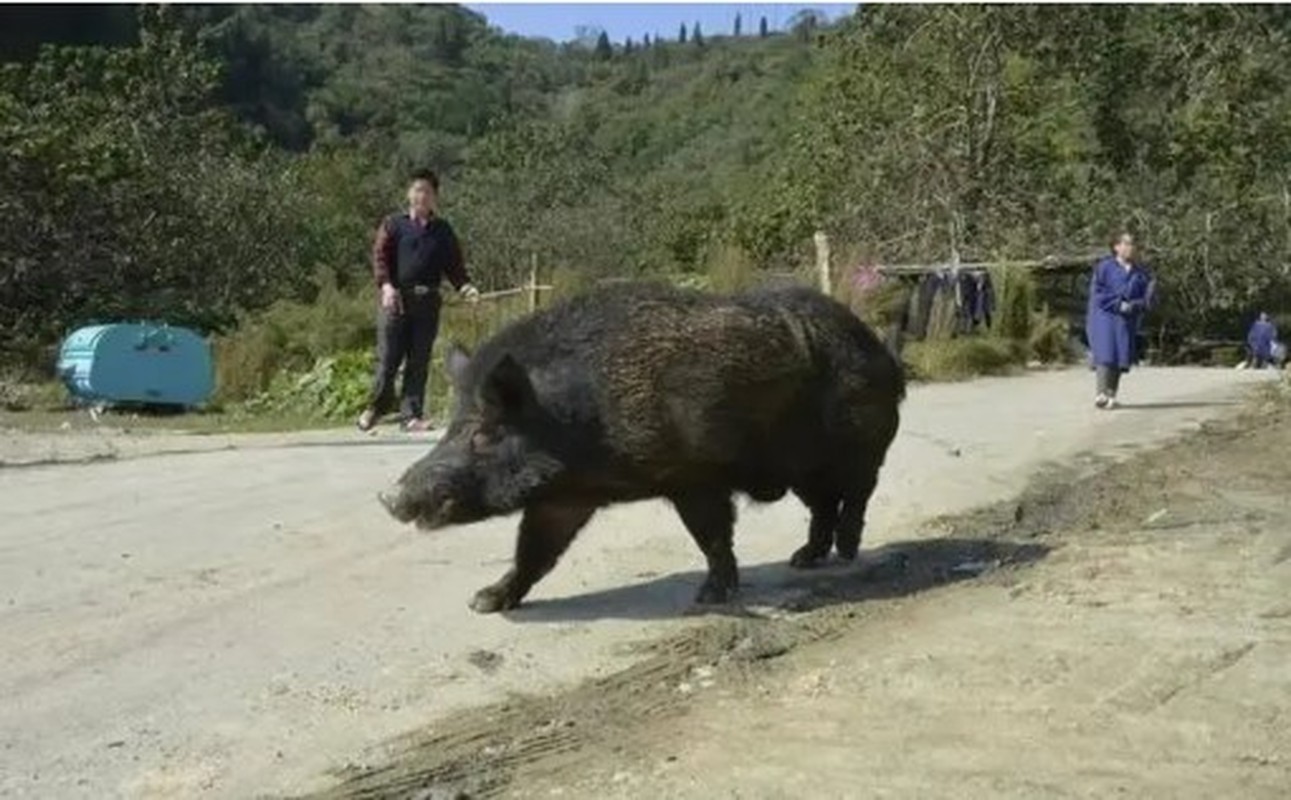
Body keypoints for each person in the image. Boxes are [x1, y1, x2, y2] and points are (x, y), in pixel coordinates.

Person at [357, 168, 480, 433]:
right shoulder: (393, 224)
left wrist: (465, 287)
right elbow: (380, 258)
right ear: (409, 193)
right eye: (417, 190)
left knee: (419, 360)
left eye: (427, 191)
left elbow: (454, 266)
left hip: (428, 302)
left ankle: (410, 416)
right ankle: (375, 409)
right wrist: (386, 286)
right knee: (388, 358)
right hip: (396, 300)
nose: (421, 196)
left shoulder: (442, 230)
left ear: (435, 197)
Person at [1086, 231, 1154, 409]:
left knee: (1120, 355)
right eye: (1126, 243)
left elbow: (1148, 298)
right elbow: (1098, 293)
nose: (1131, 248)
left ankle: (1111, 395)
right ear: (1116, 247)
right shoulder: (1105, 267)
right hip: (1105, 316)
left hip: (1126, 318)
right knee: (1105, 352)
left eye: (1132, 244)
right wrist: (1116, 304)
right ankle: (1101, 393)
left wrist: (1134, 306)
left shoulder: (1140, 272)